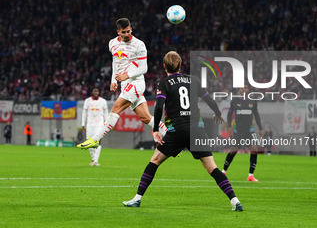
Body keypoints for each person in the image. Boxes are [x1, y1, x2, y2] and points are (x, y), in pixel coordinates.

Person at [122, 51, 243, 211]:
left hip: (176, 130)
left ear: (164, 66)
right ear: (180, 65)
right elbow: (209, 99)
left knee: (155, 161)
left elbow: (159, 107)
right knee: (212, 168)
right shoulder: (193, 80)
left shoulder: (164, 83)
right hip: (197, 130)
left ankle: (137, 199)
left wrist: (156, 129)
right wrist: (218, 113)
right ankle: (235, 201)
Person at [77, 18, 167, 149]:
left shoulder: (139, 45)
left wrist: (127, 75)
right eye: (123, 32)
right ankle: (171, 138)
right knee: (146, 118)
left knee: (115, 109)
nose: (126, 34)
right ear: (118, 32)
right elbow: (116, 62)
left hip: (136, 82)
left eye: (128, 31)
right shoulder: (112, 43)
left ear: (131, 29)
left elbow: (144, 68)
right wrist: (113, 80)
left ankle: (96, 139)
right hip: (125, 84)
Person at [222, 85, 263, 182]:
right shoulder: (235, 101)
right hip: (238, 130)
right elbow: (229, 115)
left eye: (246, 88)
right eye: (242, 88)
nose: (244, 89)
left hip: (250, 130)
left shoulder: (253, 102)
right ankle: (223, 171)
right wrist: (229, 127)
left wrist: (260, 128)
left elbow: (256, 116)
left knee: (254, 149)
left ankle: (250, 175)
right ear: (239, 90)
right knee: (233, 150)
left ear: (248, 90)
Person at [81, 87, 109, 166]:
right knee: (89, 142)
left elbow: (106, 113)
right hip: (90, 124)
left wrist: (106, 124)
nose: (96, 92)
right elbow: (84, 113)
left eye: (97, 91)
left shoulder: (103, 101)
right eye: (94, 91)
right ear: (92, 92)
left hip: (99, 124)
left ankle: (96, 161)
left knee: (98, 141)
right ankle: (93, 158)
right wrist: (83, 124)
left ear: (99, 93)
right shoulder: (87, 101)